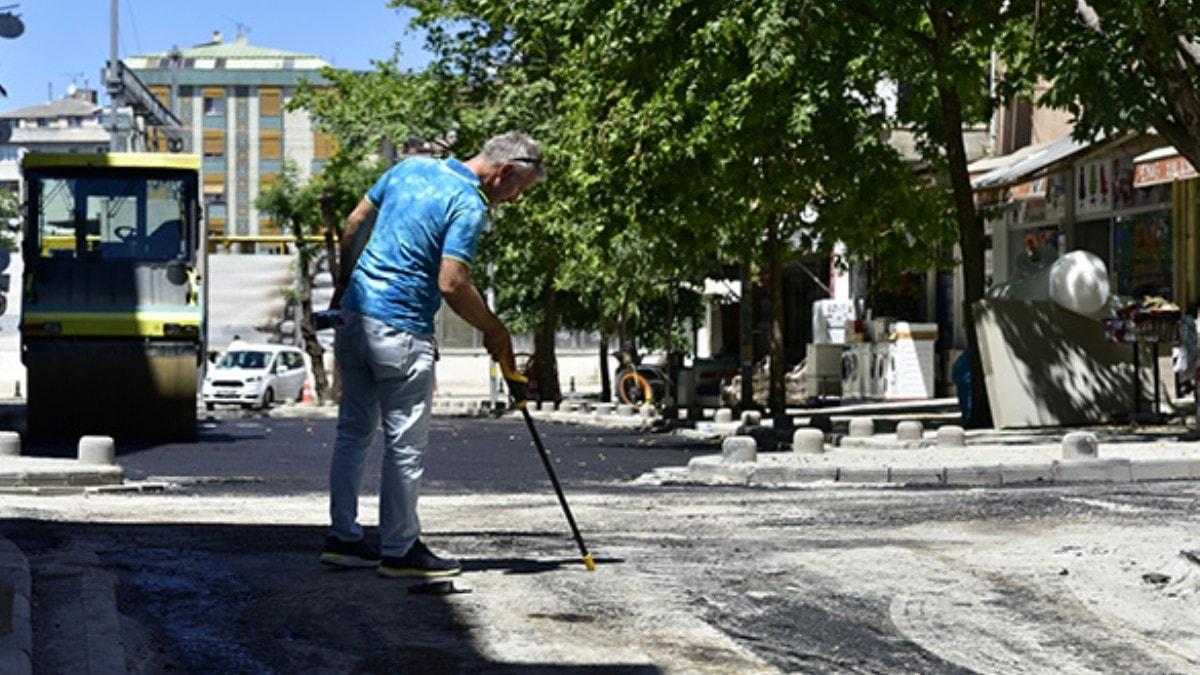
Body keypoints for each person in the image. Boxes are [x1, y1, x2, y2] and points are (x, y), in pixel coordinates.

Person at [319, 132, 545, 578]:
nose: (515, 201)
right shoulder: (468, 204)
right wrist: (495, 330)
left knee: (353, 433)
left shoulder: (409, 168)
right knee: (405, 445)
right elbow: (452, 282)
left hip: (354, 319)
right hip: (400, 331)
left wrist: (344, 285)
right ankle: (400, 549)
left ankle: (342, 539)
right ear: (502, 173)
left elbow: (353, 222)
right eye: (519, 191)